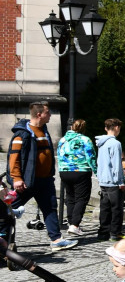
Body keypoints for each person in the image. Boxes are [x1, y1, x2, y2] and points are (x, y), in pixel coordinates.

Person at [7, 102, 76, 251]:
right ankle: (3, 239)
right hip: (27, 181)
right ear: (39, 115)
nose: (50, 115)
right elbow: (14, 158)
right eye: (47, 112)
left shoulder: (43, 130)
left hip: (45, 181)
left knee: (50, 208)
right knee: (7, 208)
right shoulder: (22, 133)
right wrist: (17, 178)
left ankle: (56, 240)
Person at [57, 119, 96, 239]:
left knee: (70, 197)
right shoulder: (85, 140)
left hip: (64, 171)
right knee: (81, 198)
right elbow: (91, 156)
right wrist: (96, 170)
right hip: (80, 171)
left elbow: (59, 154)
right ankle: (75, 225)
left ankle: (71, 222)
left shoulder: (62, 140)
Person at [96, 119, 125, 242]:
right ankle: (115, 233)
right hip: (113, 181)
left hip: (103, 179)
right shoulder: (115, 144)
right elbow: (116, 164)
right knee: (116, 208)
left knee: (104, 208)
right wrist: (120, 181)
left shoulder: (101, 143)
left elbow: (100, 162)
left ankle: (103, 232)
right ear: (116, 128)